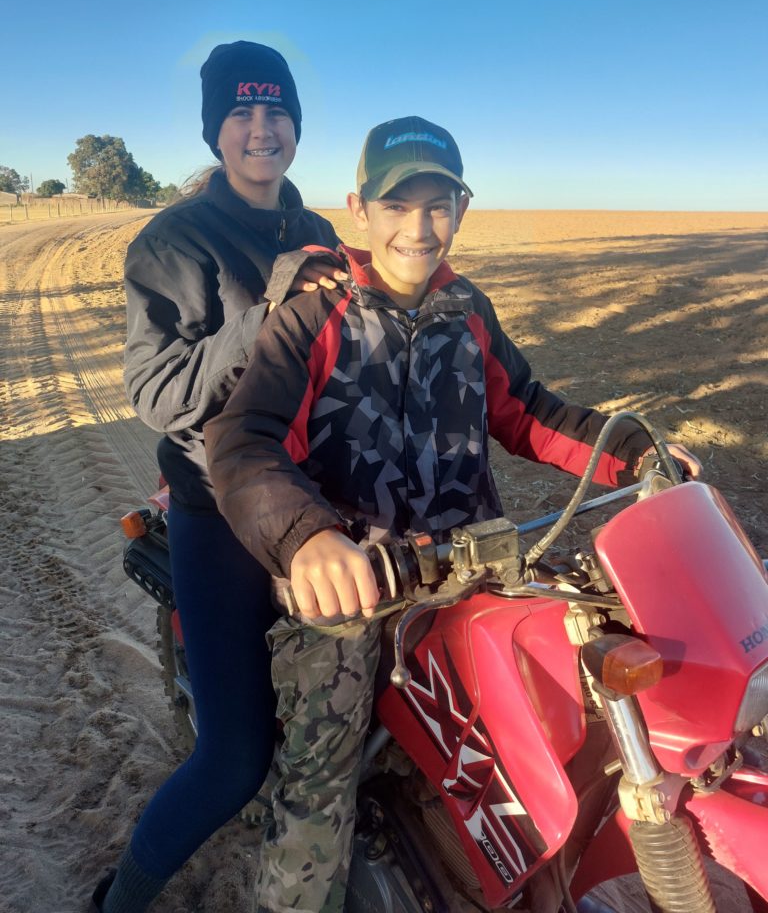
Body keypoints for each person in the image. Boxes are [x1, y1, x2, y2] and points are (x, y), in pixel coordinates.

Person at [203, 114, 701, 913]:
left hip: (473, 563)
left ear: (462, 211)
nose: (420, 226)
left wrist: (636, 455)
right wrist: (310, 540)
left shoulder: (468, 309)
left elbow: (529, 413)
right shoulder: (313, 316)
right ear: (360, 207)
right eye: (399, 204)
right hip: (355, 586)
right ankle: (294, 896)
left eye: (439, 204)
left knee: (575, 691)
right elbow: (244, 440)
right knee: (323, 762)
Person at [89, 41, 347, 913]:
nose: (261, 128)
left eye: (277, 112)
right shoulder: (173, 243)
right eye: (241, 113)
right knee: (236, 759)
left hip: (319, 505)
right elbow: (158, 394)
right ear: (215, 130)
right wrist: (266, 316)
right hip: (218, 510)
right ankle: (119, 898)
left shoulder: (317, 232)